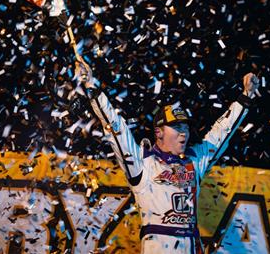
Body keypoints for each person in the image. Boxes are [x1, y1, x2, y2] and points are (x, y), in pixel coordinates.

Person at [75, 63, 259, 254]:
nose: (183, 134)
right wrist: (91, 86)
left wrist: (245, 97)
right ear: (159, 132)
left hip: (193, 245)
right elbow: (116, 127)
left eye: (186, 128)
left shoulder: (195, 160)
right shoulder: (142, 162)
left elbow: (222, 132)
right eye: (177, 128)